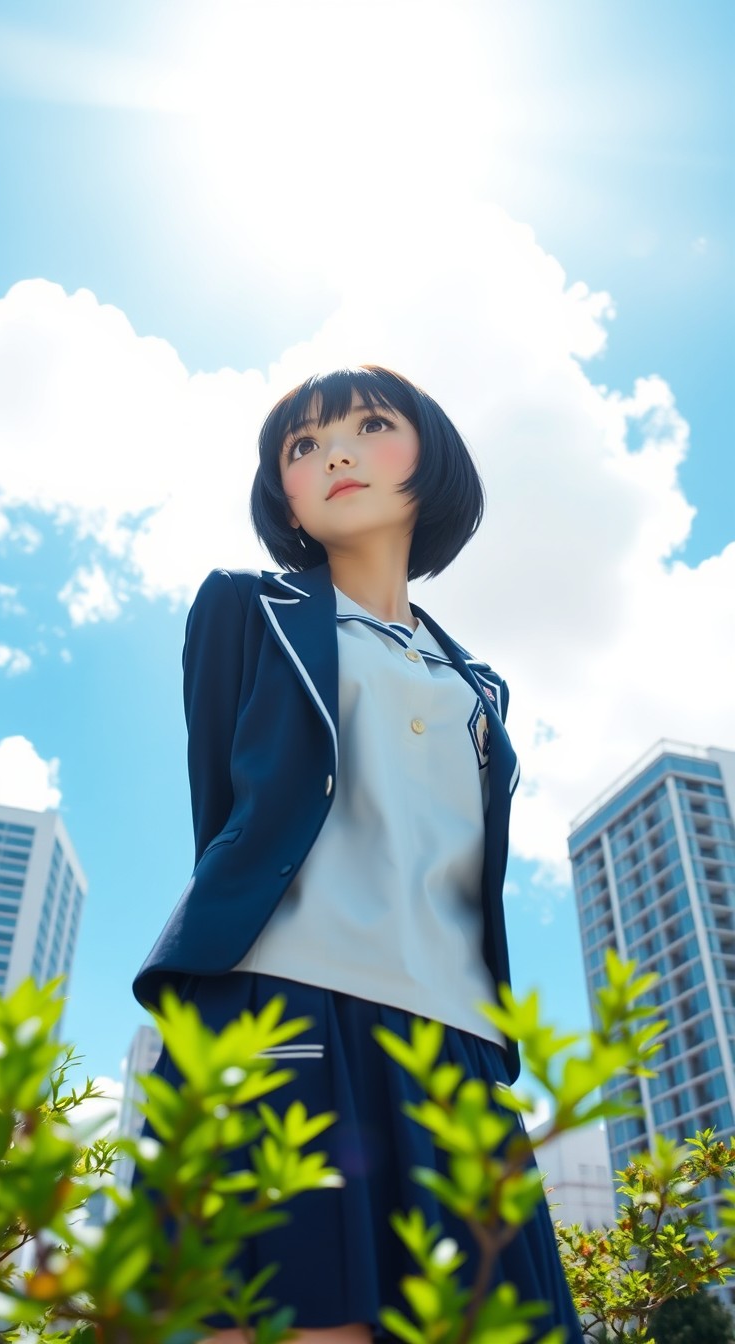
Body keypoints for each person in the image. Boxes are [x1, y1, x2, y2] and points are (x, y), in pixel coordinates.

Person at [133, 365, 582, 1343]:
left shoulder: (480, 684)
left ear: (432, 461)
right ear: (283, 492)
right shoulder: (245, 612)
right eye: (302, 444)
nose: (334, 450)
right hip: (287, 1006)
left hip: (454, 1039)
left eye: (369, 425)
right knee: (284, 1317)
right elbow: (227, 817)